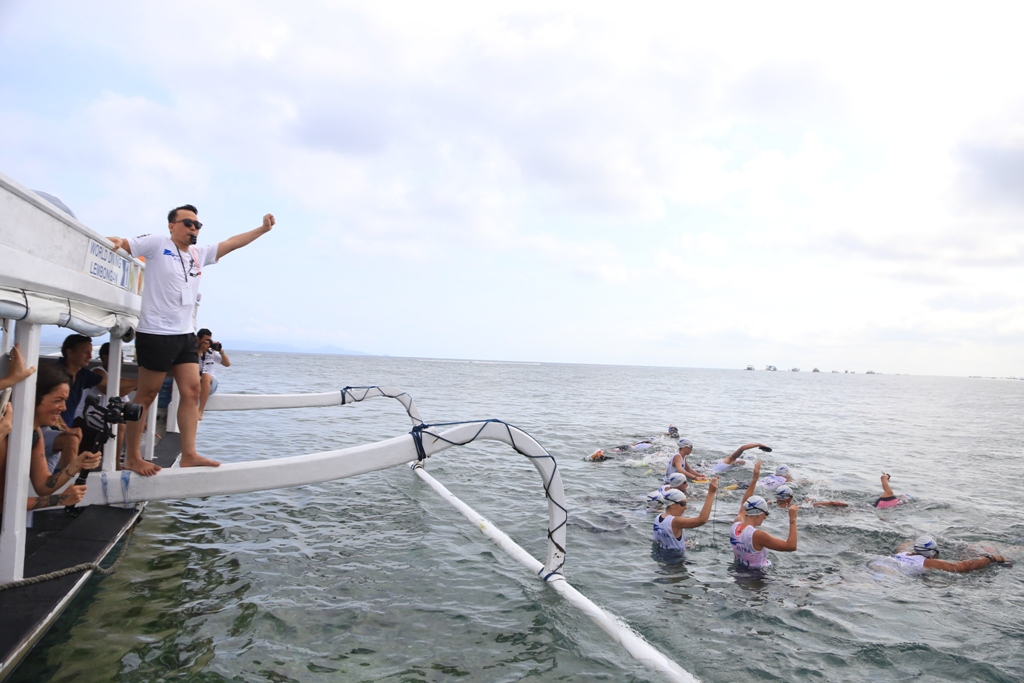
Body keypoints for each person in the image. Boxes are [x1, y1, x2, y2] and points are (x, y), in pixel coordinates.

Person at [107, 205, 275, 475]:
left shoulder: (198, 254)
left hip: (185, 334)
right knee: (147, 394)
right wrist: (115, 241)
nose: (193, 228)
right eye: (187, 223)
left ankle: (189, 454)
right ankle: (133, 458)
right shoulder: (158, 243)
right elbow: (125, 243)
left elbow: (232, 243)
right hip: (156, 333)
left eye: (197, 225)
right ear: (172, 225)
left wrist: (263, 230)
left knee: (192, 391)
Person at [0, 363, 100, 515]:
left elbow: (43, 485)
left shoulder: (35, 433)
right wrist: (60, 499)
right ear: (33, 398)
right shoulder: (6, 437)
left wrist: (77, 464)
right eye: (57, 400)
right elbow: (4, 502)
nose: (64, 408)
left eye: (65, 400)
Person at [729, 460, 798, 568]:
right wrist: (792, 519)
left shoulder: (735, 524)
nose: (765, 517)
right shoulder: (758, 535)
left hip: (738, 570)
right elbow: (791, 546)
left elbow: (745, 502)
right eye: (766, 513)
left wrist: (755, 478)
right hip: (758, 575)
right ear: (758, 514)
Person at [883, 536, 1012, 574]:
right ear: (933, 554)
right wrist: (991, 558)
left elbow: (904, 544)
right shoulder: (928, 562)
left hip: (881, 564)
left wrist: (915, 540)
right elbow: (965, 566)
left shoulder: (902, 553)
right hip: (889, 576)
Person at [652, 478, 720, 551]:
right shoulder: (676, 521)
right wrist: (711, 493)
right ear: (672, 505)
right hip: (676, 557)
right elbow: (702, 520)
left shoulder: (658, 517)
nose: (686, 507)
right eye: (683, 504)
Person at [196, 329, 230, 420]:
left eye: (209, 340)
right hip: (197, 382)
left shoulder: (212, 352)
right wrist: (200, 351)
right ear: (198, 339)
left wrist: (220, 350)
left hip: (211, 382)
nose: (208, 343)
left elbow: (227, 364)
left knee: (205, 376)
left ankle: (200, 410)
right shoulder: (192, 352)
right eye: (205, 341)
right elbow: (191, 363)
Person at [772, 484, 848, 508]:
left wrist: (806, 501)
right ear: (790, 496)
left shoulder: (770, 503)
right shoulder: (792, 507)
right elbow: (813, 505)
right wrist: (832, 503)